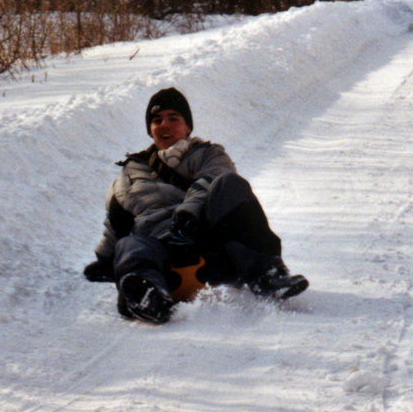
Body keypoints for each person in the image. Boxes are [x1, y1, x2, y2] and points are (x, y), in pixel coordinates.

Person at [83, 87, 309, 323]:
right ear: (150, 130)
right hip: (163, 260)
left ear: (188, 127)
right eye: (157, 120)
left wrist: (186, 217)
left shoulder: (210, 155)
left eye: (174, 118)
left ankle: (267, 275)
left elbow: (210, 180)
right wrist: (104, 259)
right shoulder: (130, 173)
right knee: (130, 245)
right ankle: (148, 297)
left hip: (209, 251)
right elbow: (115, 224)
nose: (165, 124)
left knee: (230, 184)